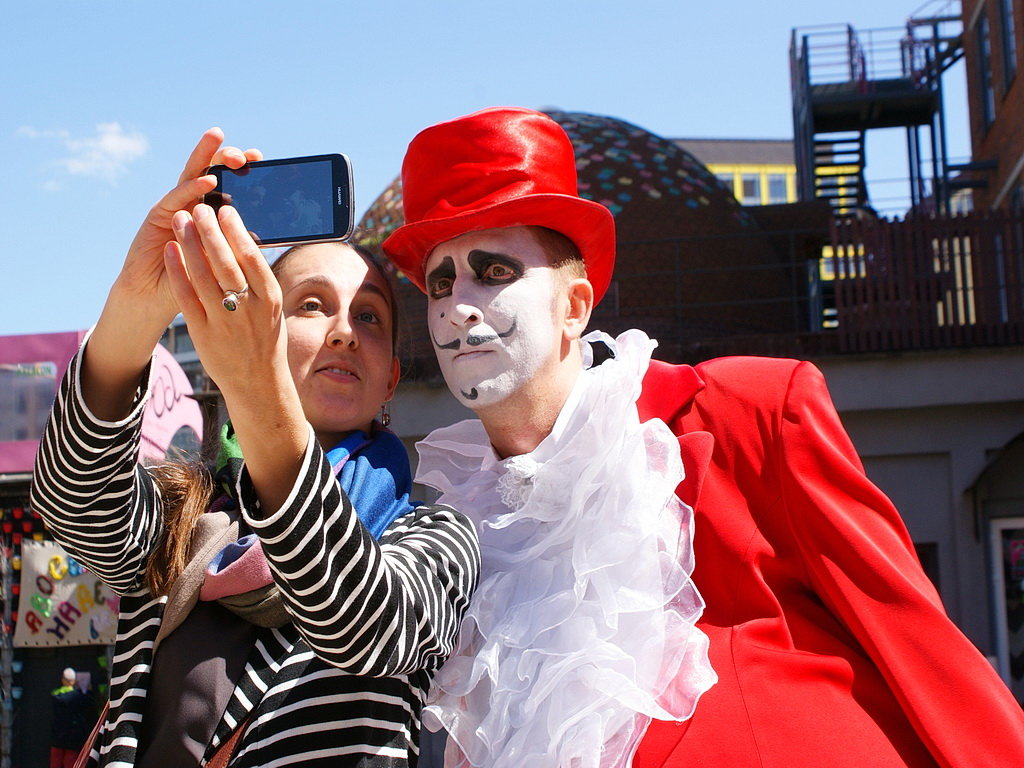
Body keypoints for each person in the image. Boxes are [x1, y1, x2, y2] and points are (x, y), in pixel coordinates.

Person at [382, 106, 1024, 767]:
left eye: (492, 274)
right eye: (440, 282)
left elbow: (912, 636)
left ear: (573, 307)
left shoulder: (748, 414)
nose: (458, 305)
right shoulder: (453, 526)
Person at [30, 128, 479, 767]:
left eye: (369, 316)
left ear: (391, 381)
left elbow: (364, 626)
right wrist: (137, 306)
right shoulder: (190, 512)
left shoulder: (436, 533)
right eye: (312, 306)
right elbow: (73, 501)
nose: (345, 332)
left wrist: (260, 392)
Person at [50, 667, 95, 768]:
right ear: (74, 681)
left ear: (62, 680)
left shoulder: (56, 695)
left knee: (55, 763)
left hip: (57, 736)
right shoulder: (79, 697)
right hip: (73, 738)